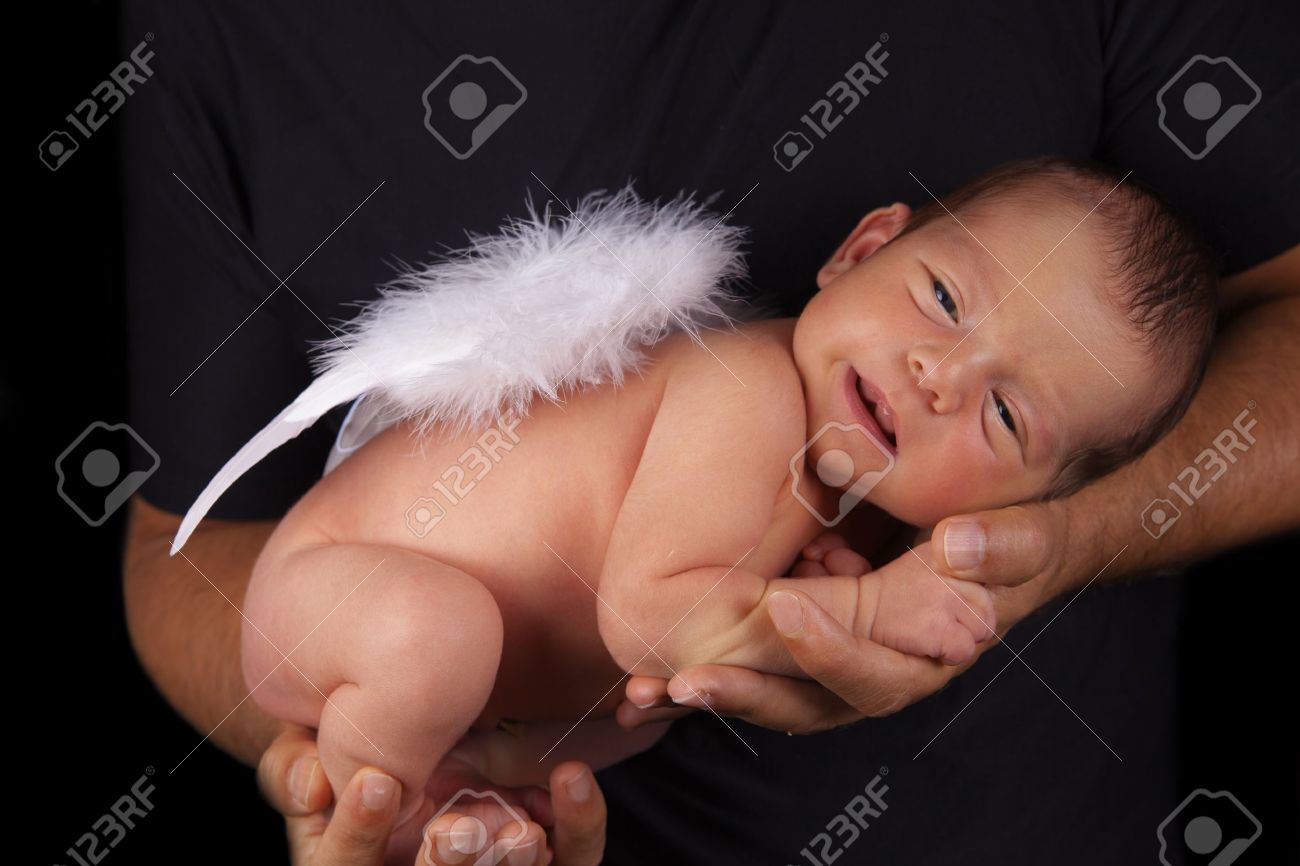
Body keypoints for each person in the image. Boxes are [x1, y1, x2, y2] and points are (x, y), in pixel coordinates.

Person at [120, 2, 1299, 863]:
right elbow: (648, 610)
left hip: (991, 823)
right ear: (860, 249)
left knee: (603, 723)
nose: (940, 374)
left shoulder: (816, 478)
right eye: (941, 300)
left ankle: (468, 794)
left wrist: (1044, 548)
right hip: (336, 591)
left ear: (1031, 490)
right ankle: (396, 784)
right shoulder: (745, 388)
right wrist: (860, 612)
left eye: (1004, 412)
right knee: (446, 640)